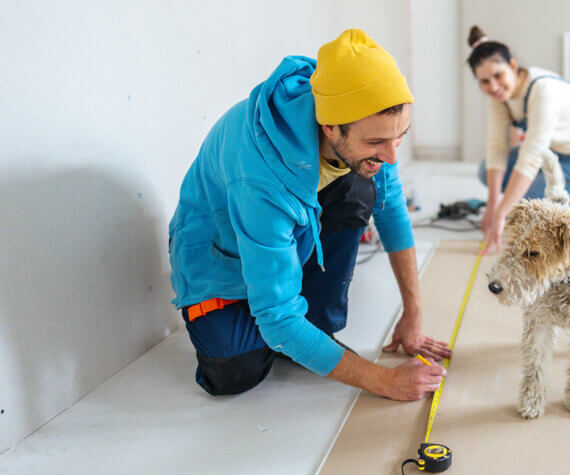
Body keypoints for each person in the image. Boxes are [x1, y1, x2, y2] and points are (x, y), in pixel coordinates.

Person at [168, 29, 450, 399]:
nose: (391, 154)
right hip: (220, 264)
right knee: (235, 374)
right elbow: (277, 321)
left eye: (400, 137)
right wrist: (382, 380)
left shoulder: (366, 118)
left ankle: (312, 325)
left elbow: (391, 210)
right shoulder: (259, 172)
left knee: (362, 184)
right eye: (377, 142)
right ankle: (293, 326)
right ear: (330, 126)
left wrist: (413, 311)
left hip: (283, 237)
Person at [467, 26, 570, 254]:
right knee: (484, 171)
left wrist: (502, 212)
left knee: (527, 205)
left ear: (513, 66)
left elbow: (531, 156)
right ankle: (565, 200)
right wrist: (491, 207)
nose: (494, 87)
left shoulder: (544, 90)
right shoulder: (499, 96)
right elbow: (497, 147)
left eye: (498, 76)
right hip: (551, 154)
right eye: (485, 82)